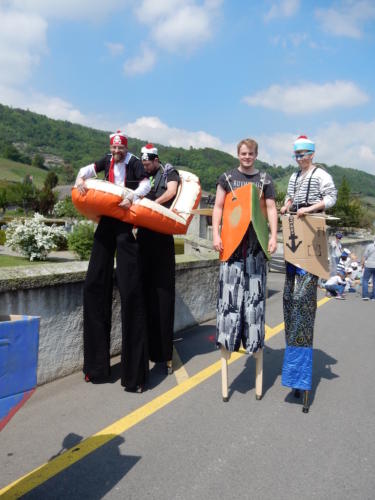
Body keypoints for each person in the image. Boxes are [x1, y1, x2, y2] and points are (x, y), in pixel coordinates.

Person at [75, 130, 151, 392]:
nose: (117, 152)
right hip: (107, 220)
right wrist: (80, 180)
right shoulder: (106, 160)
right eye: (114, 149)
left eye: (120, 149)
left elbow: (146, 183)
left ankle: (135, 376)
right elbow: (86, 170)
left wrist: (133, 196)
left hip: (125, 219)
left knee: (131, 291)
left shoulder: (133, 162)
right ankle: (95, 367)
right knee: (94, 285)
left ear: (125, 148)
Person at [280, 135, 337, 412]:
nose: (300, 158)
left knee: (303, 306)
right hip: (294, 240)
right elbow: (291, 198)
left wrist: (309, 209)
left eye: (303, 154)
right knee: (290, 306)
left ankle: (303, 382)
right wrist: (286, 206)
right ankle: (294, 376)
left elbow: (331, 198)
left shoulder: (320, 174)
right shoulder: (294, 177)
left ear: (312, 154)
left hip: (312, 241)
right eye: (296, 154)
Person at [212, 138, 278, 357]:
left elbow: (270, 209)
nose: (247, 157)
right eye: (243, 153)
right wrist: (215, 235)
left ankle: (253, 342)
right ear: (238, 154)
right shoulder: (227, 178)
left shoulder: (265, 179)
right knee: (228, 295)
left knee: (255, 297)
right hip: (231, 245)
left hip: (256, 245)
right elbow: (218, 207)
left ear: (256, 155)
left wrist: (273, 237)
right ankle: (226, 341)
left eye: (250, 154)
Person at [137, 144, 180, 374]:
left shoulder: (168, 172)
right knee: (145, 294)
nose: (146, 167)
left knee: (163, 297)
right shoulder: (144, 177)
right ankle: (145, 349)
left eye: (148, 163)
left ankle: (165, 354)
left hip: (162, 237)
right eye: (143, 164)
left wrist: (154, 204)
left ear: (156, 160)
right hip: (144, 237)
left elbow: (172, 192)